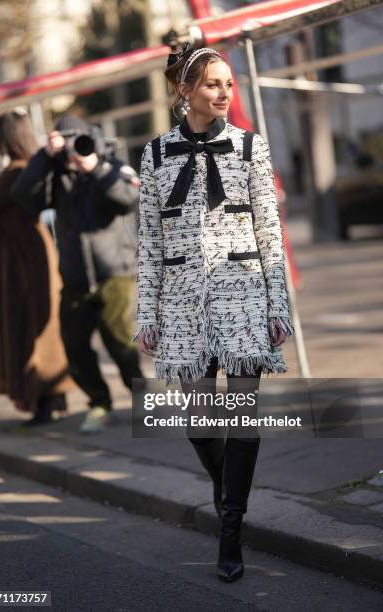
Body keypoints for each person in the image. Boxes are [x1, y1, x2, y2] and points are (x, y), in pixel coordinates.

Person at [134, 46, 295, 582]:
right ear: (186, 91)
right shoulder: (155, 156)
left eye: (228, 83)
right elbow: (149, 244)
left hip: (245, 295)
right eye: (212, 84)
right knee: (202, 425)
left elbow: (271, 235)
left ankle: (231, 527)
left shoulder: (250, 147)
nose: (225, 93)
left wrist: (279, 306)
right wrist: (147, 313)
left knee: (242, 422)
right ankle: (226, 488)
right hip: (181, 306)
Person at [12, 115, 145, 434]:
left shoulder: (110, 164)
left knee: (119, 343)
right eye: (66, 142)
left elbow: (127, 201)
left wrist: (94, 167)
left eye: (78, 141)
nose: (74, 149)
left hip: (115, 272)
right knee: (74, 346)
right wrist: (45, 157)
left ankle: (144, 401)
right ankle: (99, 403)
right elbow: (23, 197)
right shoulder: (56, 173)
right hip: (74, 275)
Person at [0, 110, 72, 425]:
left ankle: (42, 397)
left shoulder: (18, 172)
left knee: (28, 322)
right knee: (33, 321)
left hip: (20, 258)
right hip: (26, 253)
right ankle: (47, 398)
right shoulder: (30, 166)